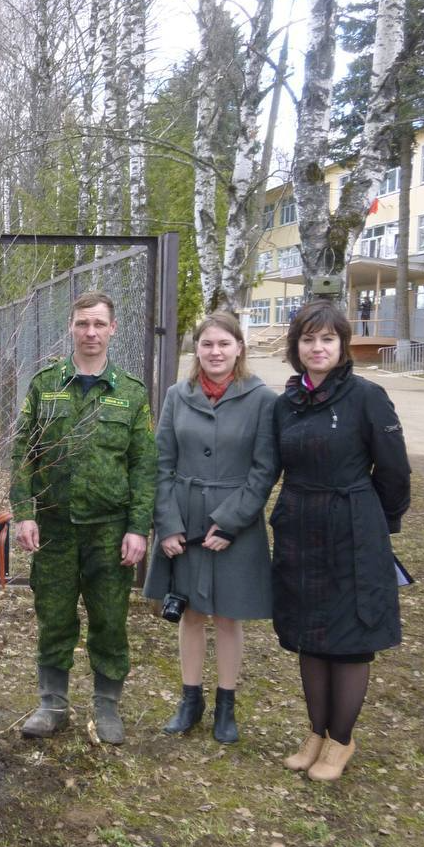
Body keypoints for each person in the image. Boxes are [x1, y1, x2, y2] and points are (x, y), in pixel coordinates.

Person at [9, 291, 157, 745]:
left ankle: (106, 706)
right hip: (53, 527)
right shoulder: (45, 385)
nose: (90, 332)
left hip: (109, 531)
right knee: (53, 615)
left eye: (98, 324)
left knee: (109, 618)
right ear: (71, 328)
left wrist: (138, 526)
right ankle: (52, 704)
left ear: (113, 329)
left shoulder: (130, 393)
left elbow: (143, 465)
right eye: (82, 324)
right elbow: (23, 454)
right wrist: (24, 514)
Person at [271, 299, 410, 781]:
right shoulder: (286, 403)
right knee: (311, 632)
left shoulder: (367, 397)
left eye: (327, 338)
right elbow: (269, 467)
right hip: (299, 525)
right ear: (296, 347)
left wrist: (378, 523)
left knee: (349, 637)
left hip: (354, 527)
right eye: (308, 339)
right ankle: (316, 731)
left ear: (342, 344)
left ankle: (341, 740)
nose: (317, 347)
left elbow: (394, 471)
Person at [144, 312, 278, 744]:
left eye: (224, 344)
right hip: (183, 518)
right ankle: (189, 700)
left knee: (226, 614)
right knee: (191, 612)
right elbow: (161, 464)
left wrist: (231, 521)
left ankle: (226, 703)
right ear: (196, 349)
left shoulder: (261, 399)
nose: (215, 352)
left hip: (234, 519)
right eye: (207, 344)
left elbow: (264, 470)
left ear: (239, 347)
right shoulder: (176, 396)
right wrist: (166, 524)